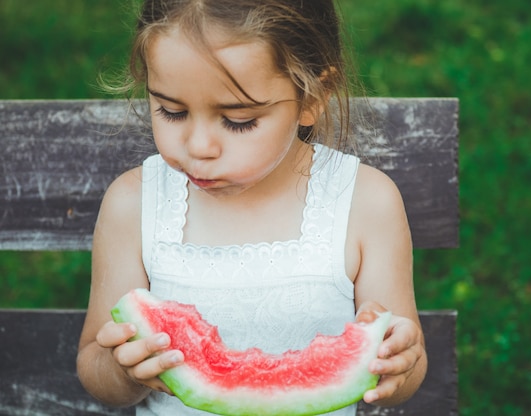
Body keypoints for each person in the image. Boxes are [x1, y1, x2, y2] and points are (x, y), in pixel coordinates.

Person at [76, 1, 427, 415]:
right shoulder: (133, 204)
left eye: (238, 120)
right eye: (172, 112)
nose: (199, 147)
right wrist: (123, 371)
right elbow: (93, 361)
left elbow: (408, 361)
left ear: (312, 97)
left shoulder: (366, 202)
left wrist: (397, 361)